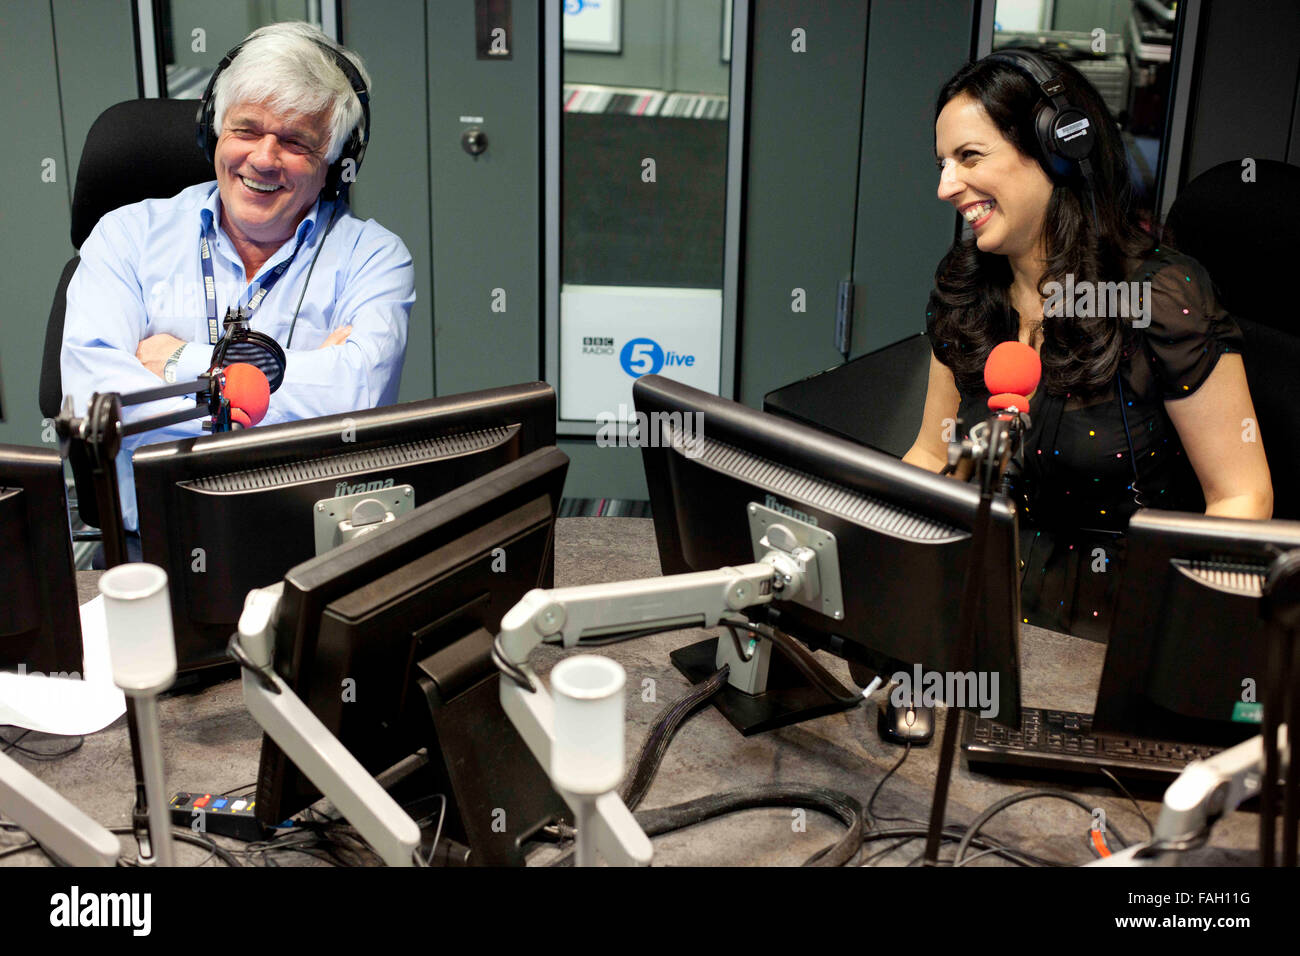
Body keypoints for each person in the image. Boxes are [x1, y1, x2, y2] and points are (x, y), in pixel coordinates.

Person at [903, 49, 1272, 641]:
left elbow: (1241, 495)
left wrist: (1176, 637)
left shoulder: (1159, 297)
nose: (947, 185)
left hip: (1123, 625)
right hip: (980, 606)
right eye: (943, 162)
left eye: (969, 156)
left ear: (1058, 149)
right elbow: (930, 456)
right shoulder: (966, 286)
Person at [61, 21, 414, 550]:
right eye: (247, 130)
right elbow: (98, 403)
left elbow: (354, 402)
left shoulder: (375, 258)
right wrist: (295, 383)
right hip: (149, 542)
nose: (265, 158)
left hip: (309, 547)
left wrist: (175, 363)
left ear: (336, 166)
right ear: (214, 133)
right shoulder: (126, 235)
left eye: (296, 141)